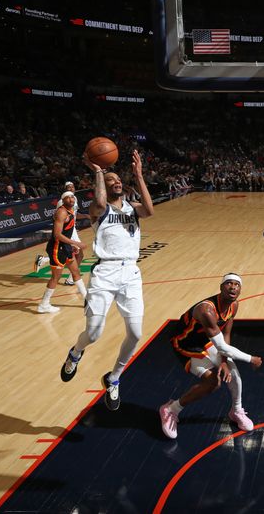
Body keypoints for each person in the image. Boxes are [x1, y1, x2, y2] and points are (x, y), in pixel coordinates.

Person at [59, 149, 154, 411]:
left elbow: (149, 210)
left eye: (118, 179)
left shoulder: (132, 208)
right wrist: (99, 171)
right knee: (93, 333)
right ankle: (76, 352)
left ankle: (113, 379)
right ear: (102, 184)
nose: (117, 181)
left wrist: (139, 175)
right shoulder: (96, 210)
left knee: (135, 333)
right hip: (104, 273)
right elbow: (100, 203)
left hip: (131, 272)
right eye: (111, 179)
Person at [158, 273, 263, 439]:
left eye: (237, 284)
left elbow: (225, 336)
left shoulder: (233, 305)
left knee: (232, 372)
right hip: (186, 343)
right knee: (213, 382)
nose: (233, 287)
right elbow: (221, 345)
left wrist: (223, 361)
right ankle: (171, 409)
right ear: (221, 287)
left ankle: (236, 411)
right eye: (229, 283)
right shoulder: (206, 310)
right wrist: (251, 358)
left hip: (207, 340)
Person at [37, 192, 88, 313]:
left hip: (65, 246)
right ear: (63, 200)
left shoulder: (70, 211)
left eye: (72, 197)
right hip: (57, 248)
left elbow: (66, 233)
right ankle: (44, 304)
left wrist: (71, 245)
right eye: (68, 197)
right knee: (56, 277)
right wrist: (77, 243)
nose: (71, 199)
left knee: (75, 272)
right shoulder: (62, 212)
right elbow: (57, 235)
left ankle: (87, 299)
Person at [34, 181, 87, 279]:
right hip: (67, 230)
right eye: (69, 187)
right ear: (65, 190)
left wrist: (87, 216)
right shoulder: (61, 202)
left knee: (71, 254)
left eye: (72, 187)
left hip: (73, 228)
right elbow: (58, 218)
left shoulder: (74, 199)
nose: (71, 189)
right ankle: (72, 279)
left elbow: (75, 215)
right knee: (79, 254)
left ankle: (44, 260)